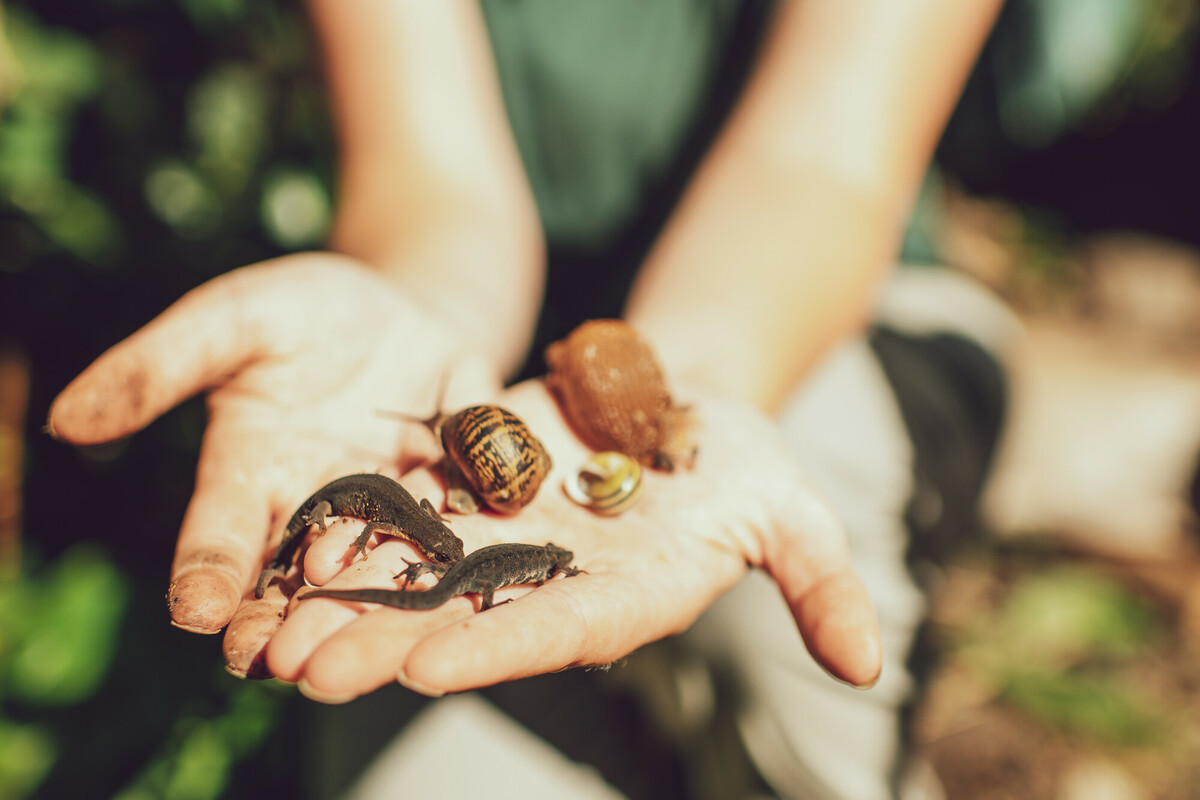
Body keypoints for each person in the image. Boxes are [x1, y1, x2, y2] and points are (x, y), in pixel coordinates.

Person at [47, 1, 1009, 797]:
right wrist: (419, 316)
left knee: (796, 511)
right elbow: (430, 180)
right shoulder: (456, 535)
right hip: (501, 341)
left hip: (813, 315)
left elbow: (821, 171)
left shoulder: (473, 536)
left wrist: (685, 384)